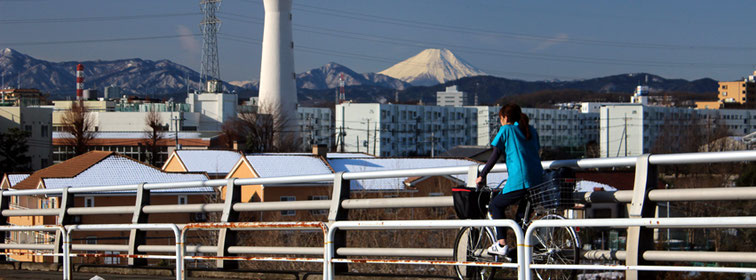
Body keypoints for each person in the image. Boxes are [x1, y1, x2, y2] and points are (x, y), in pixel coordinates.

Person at [475, 104, 543, 257]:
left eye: (500, 119)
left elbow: (495, 155)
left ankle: (501, 244)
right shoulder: (530, 130)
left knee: (495, 205)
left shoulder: (507, 129)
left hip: (522, 179)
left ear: (504, 118)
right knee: (521, 218)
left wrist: (482, 175)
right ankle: (519, 252)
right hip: (538, 179)